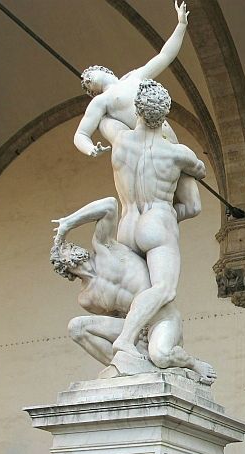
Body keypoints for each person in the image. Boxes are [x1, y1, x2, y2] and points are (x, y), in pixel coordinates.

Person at [91, 79, 206, 359]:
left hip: (127, 224)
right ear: (164, 115)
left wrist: (106, 96)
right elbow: (199, 172)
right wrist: (170, 215)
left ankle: (138, 349)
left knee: (135, 293)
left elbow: (105, 118)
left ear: (137, 112)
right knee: (163, 290)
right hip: (157, 220)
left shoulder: (120, 139)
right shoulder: (177, 153)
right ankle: (126, 339)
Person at [51, 196, 215, 383]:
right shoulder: (87, 298)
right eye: (64, 249)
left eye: (69, 245)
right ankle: (128, 367)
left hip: (161, 317)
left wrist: (68, 223)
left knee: (161, 356)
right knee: (77, 328)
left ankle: (193, 364)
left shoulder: (104, 247)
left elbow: (109, 204)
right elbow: (117, 317)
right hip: (135, 330)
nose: (70, 247)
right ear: (62, 266)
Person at [74, 1, 202, 224]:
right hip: (152, 150)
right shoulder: (102, 101)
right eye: (86, 83)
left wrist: (181, 25)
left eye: (89, 75)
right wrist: (90, 148)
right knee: (160, 204)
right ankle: (156, 222)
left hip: (172, 144)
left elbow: (165, 56)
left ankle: (162, 221)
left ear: (104, 70)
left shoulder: (135, 77)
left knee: (193, 207)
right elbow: (81, 133)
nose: (86, 78)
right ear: (92, 91)